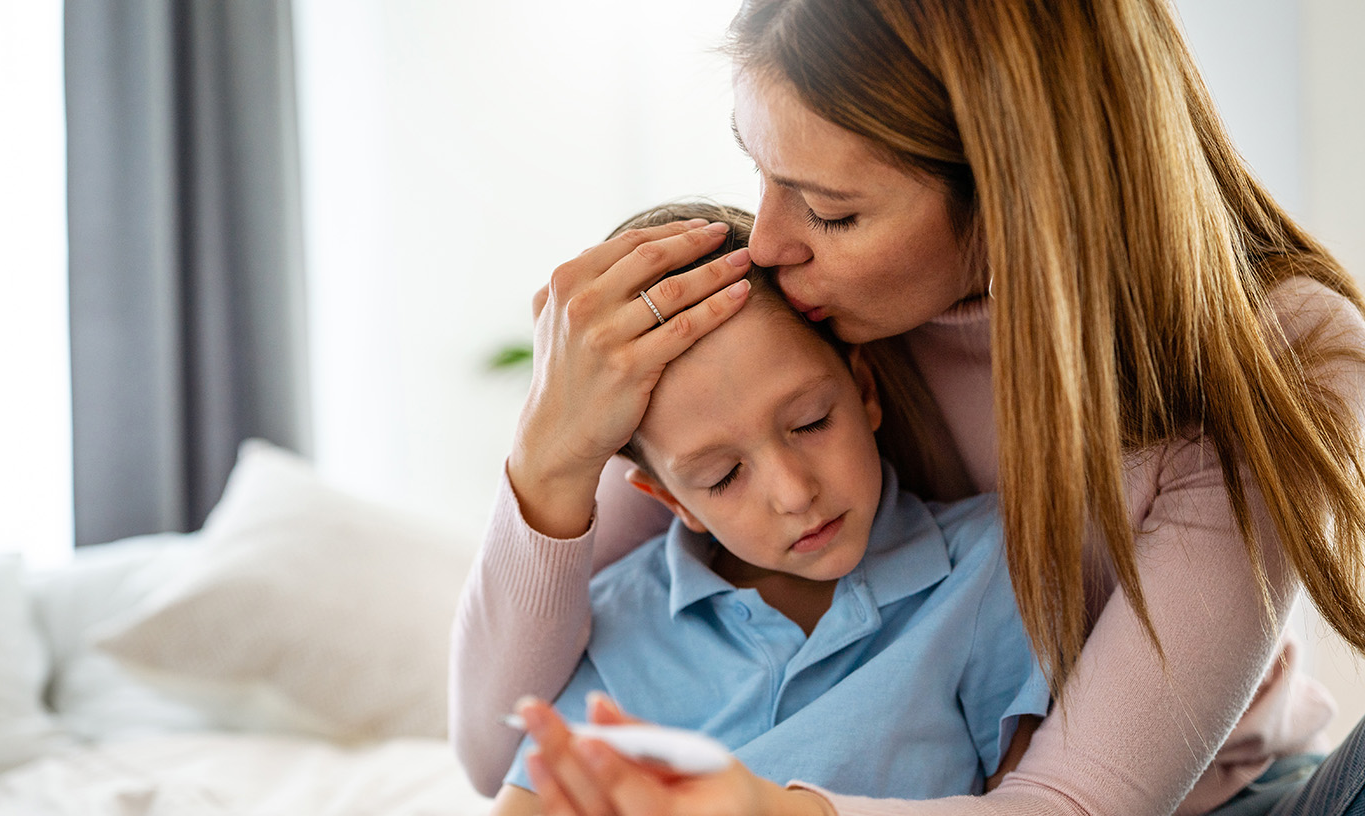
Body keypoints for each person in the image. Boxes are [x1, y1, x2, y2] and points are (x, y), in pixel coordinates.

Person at [450, 0, 1365, 814]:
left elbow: (1073, 802)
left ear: (1015, 193)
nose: (767, 241)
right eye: (764, 175)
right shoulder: (795, 318)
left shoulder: (1286, 356)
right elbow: (496, 752)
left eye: (831, 213)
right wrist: (550, 458)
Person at [490, 204, 1049, 816]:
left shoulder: (988, 570)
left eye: (810, 423)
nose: (793, 493)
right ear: (676, 503)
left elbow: (1032, 801)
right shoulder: (619, 621)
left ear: (864, 391)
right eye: (722, 476)